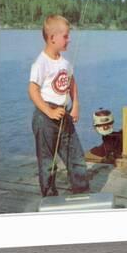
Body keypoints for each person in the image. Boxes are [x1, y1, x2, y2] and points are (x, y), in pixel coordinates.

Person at [28, 15, 90, 197]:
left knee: (76, 156)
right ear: (52, 37)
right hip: (45, 117)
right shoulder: (40, 63)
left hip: (64, 115)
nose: (68, 39)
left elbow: (72, 83)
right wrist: (48, 111)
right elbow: (33, 90)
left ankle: (82, 192)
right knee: (47, 161)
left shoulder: (64, 63)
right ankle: (49, 195)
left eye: (68, 36)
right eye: (65, 36)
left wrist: (76, 104)